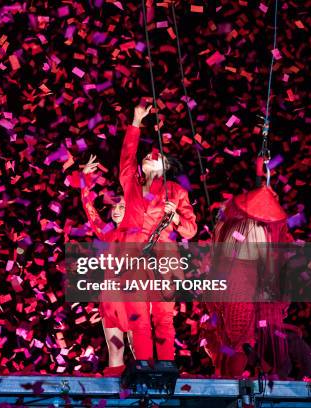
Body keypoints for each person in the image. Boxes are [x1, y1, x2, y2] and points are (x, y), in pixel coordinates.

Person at [117, 103, 197, 362]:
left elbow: (191, 230)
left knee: (163, 317)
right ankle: (142, 365)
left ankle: (165, 367)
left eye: (156, 156)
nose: (149, 157)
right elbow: (127, 156)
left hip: (164, 256)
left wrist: (174, 216)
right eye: (147, 155)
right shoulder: (131, 181)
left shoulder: (175, 191)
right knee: (138, 316)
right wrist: (136, 121)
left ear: (165, 166)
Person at [204, 186, 292, 377]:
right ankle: (232, 383)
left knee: (225, 340)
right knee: (241, 343)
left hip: (218, 290)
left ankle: (223, 377)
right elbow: (269, 269)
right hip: (241, 292)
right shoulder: (260, 231)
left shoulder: (224, 226)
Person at [81, 154, 131, 376]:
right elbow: (90, 211)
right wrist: (85, 180)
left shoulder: (142, 234)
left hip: (134, 299)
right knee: (115, 351)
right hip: (111, 300)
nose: (117, 210)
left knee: (141, 353)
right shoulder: (108, 232)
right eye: (115, 206)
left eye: (123, 206)